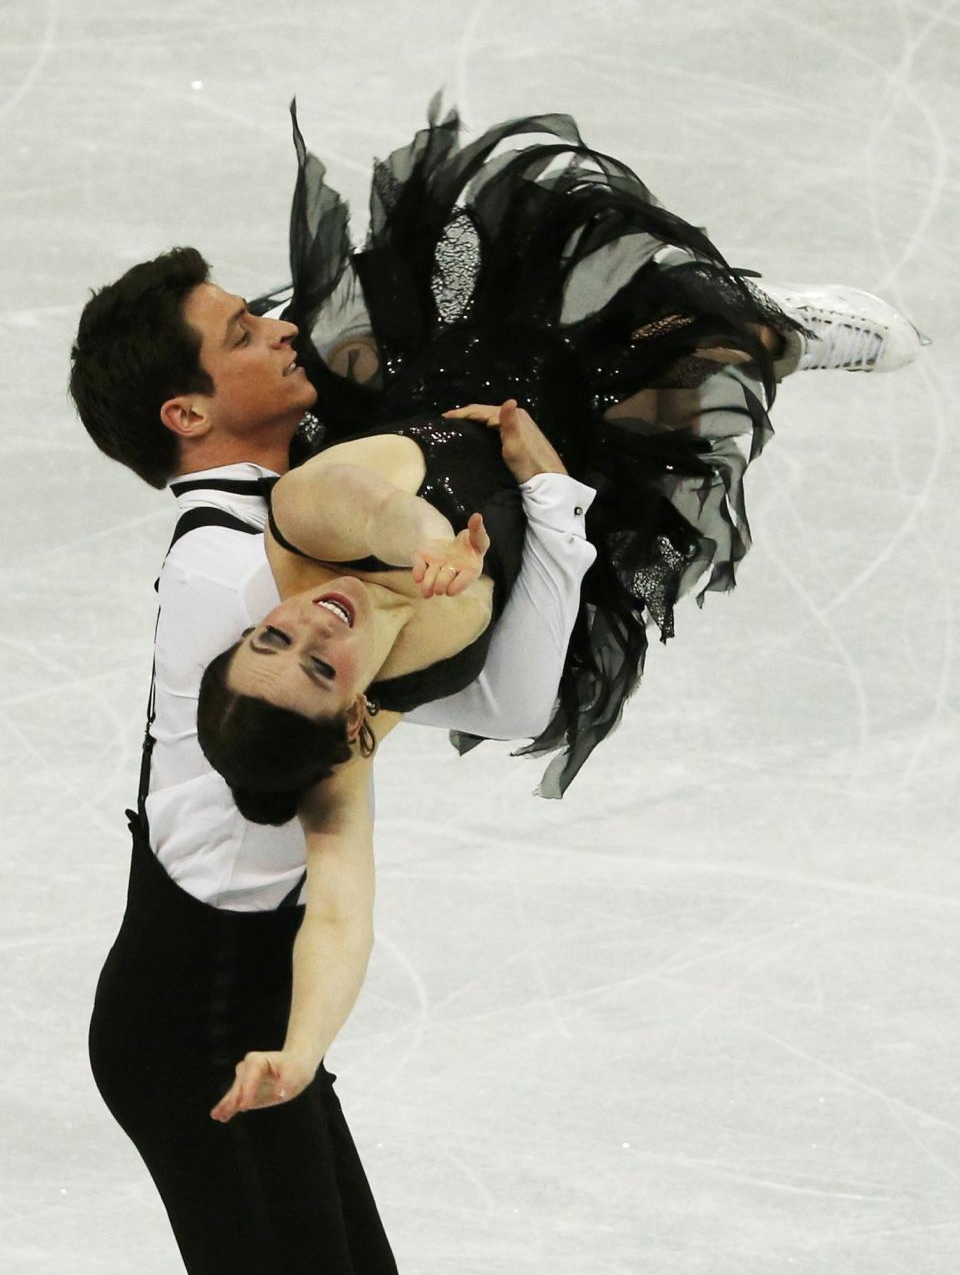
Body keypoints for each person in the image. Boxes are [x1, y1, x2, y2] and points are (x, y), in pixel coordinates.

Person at [70, 100, 926, 1275]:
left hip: (240, 999)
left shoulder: (281, 524)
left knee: (434, 356)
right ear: (189, 413)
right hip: (198, 1029)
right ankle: (739, 339)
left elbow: (495, 695)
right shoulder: (241, 570)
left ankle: (740, 329)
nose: (272, 326)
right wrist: (509, 535)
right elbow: (427, 770)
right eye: (237, 332)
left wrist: (526, 521)